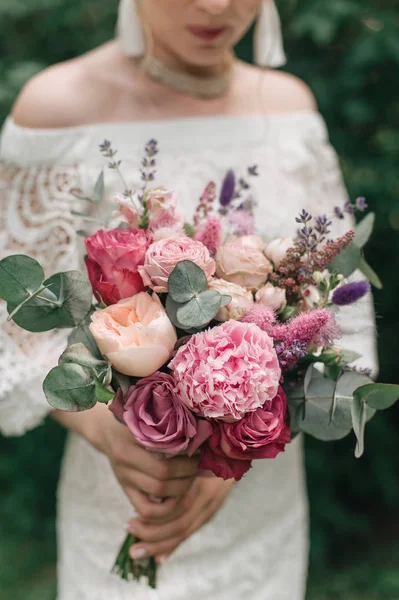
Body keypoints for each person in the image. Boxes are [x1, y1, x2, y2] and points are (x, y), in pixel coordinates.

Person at [0, 1, 377, 599]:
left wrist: (236, 455)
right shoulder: (58, 112)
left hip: (260, 507)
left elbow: (339, 315)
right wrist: (113, 435)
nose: (217, 6)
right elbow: (13, 330)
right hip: (133, 496)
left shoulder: (290, 110)